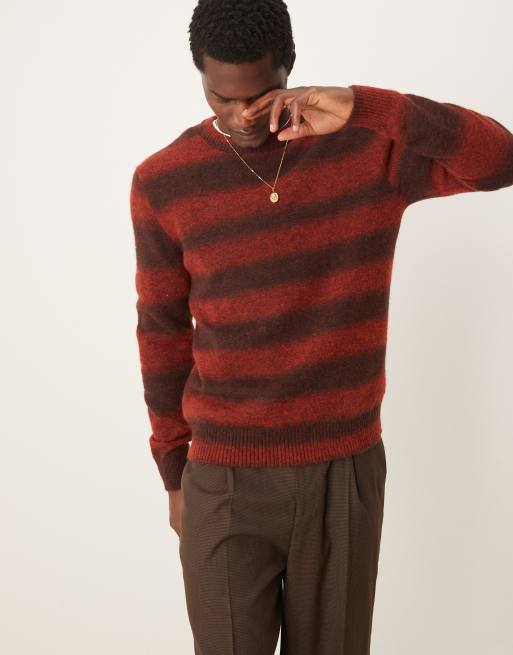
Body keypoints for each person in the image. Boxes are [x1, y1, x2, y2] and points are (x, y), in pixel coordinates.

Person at [129, 1, 513, 653]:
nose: (241, 116)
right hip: (222, 476)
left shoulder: (367, 150)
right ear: (199, 75)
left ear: (290, 66)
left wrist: (367, 107)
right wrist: (173, 473)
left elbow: (498, 160)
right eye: (221, 97)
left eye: (259, 96)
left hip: (343, 469)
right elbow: (160, 334)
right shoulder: (163, 181)